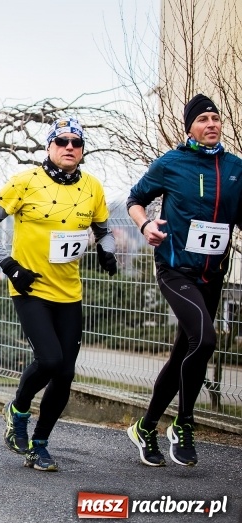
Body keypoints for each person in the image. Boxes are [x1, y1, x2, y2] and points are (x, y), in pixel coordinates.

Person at [0, 117, 117, 472]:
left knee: (65, 374)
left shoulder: (93, 187)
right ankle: (18, 408)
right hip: (30, 286)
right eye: (62, 141)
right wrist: (9, 265)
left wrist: (108, 249)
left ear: (82, 150)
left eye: (76, 143)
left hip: (69, 292)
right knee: (50, 359)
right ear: (50, 147)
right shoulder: (25, 181)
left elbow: (104, 229)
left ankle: (40, 444)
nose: (70, 147)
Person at [125, 94, 242, 468]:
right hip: (176, 270)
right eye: (203, 119)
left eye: (215, 118)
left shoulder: (236, 168)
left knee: (184, 353)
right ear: (189, 127)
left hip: (213, 275)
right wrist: (145, 225)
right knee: (205, 339)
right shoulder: (171, 163)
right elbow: (135, 199)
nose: (211, 124)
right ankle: (185, 422)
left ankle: (145, 427)